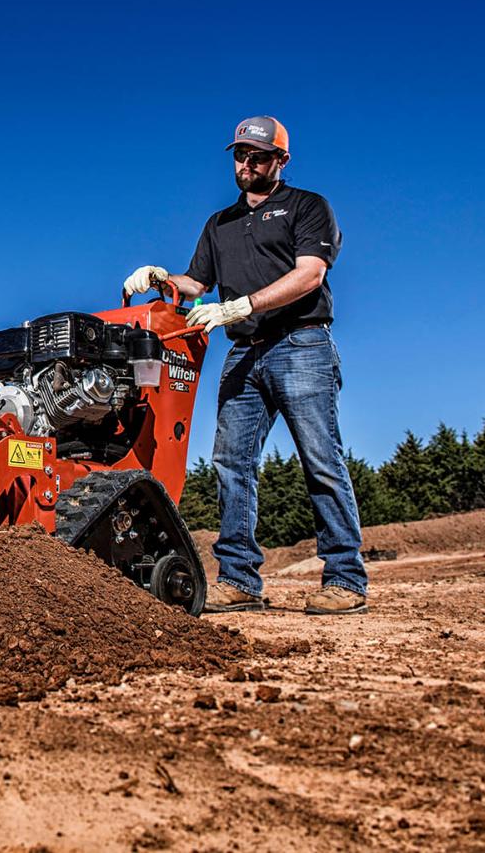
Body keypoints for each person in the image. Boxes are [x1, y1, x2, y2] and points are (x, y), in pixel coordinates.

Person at [123, 116, 367, 616]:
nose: (246, 164)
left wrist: (243, 306)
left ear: (281, 160)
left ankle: (345, 578)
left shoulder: (307, 207)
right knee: (232, 463)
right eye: (239, 155)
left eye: (257, 155)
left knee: (320, 460)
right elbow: (195, 283)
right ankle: (238, 579)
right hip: (244, 353)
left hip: (302, 345)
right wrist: (159, 276)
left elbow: (309, 275)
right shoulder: (220, 224)